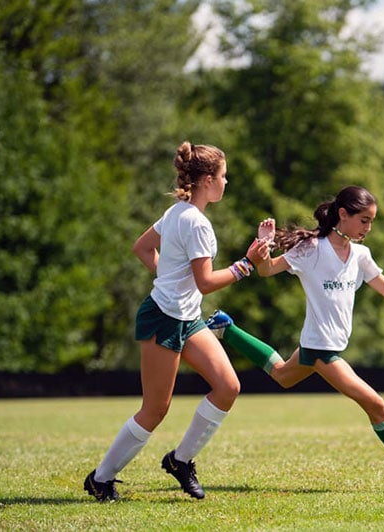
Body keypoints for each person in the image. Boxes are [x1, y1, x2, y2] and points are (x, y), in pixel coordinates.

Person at [206, 185, 384, 490]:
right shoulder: (312, 249)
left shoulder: (361, 255)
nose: (368, 228)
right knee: (376, 405)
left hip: (317, 345)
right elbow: (266, 271)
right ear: (343, 215)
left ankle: (226, 328)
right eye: (364, 220)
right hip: (322, 350)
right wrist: (264, 246)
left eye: (371, 221)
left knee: (281, 375)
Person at [84, 141, 269, 502]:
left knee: (228, 386)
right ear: (206, 180)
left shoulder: (177, 211)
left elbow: (142, 248)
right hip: (163, 319)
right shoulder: (195, 222)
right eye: (223, 176)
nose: (226, 182)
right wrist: (246, 264)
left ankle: (180, 460)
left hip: (187, 318)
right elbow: (205, 282)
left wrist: (168, 276)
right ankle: (100, 478)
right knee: (156, 409)